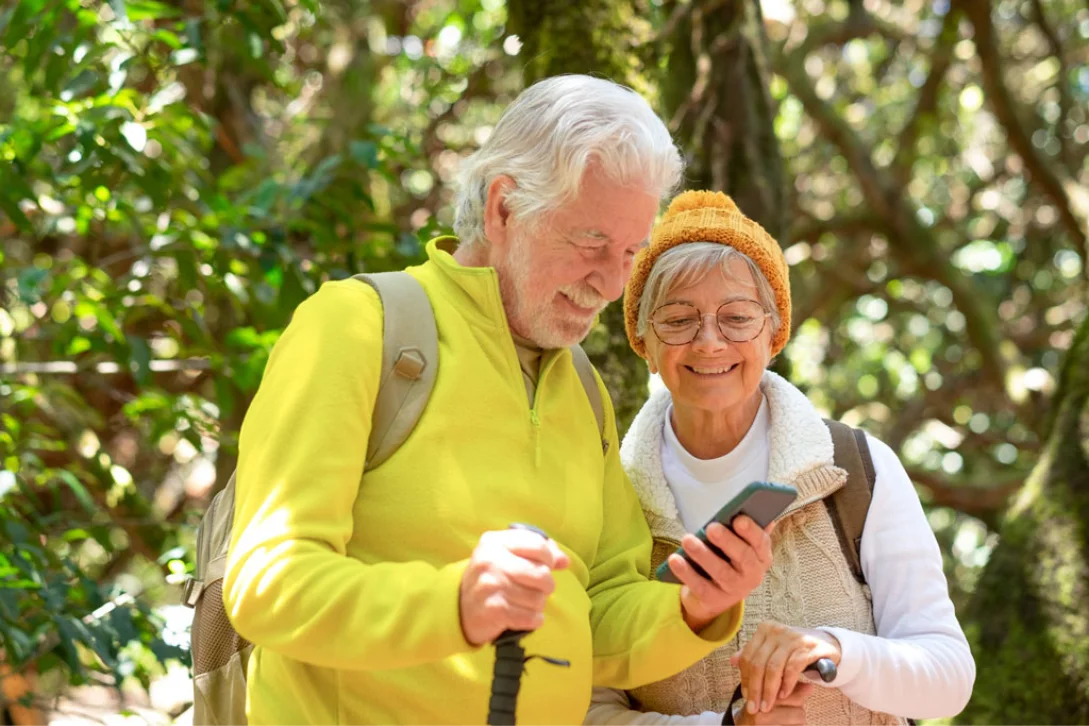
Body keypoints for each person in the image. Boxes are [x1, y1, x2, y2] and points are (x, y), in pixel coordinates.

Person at [221, 77, 776, 724]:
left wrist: (694, 606)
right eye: (591, 243)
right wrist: (453, 603)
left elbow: (594, 616)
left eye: (630, 252)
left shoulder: (584, 390)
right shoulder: (357, 327)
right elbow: (268, 584)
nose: (611, 282)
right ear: (502, 209)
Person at [585, 190, 976, 725]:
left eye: (738, 318)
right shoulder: (611, 494)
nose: (709, 342)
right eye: (677, 320)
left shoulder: (855, 468)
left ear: (774, 333)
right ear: (642, 340)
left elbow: (947, 677)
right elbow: (589, 705)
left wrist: (832, 651)